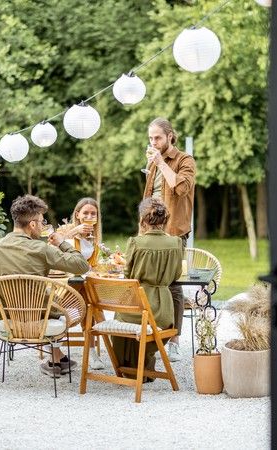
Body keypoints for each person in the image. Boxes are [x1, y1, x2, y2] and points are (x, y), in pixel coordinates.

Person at [0, 194, 90, 378]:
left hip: (5, 318)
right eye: (43, 222)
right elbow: (82, 266)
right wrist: (62, 243)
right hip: (40, 318)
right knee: (60, 305)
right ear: (33, 225)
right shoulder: (41, 249)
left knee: (51, 301)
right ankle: (56, 359)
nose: (43, 226)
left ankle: (57, 359)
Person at [143, 117, 195, 362]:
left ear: (170, 136)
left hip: (173, 232)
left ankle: (174, 341)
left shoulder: (185, 160)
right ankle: (153, 336)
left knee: (173, 284)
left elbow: (179, 188)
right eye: (151, 138)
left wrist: (160, 162)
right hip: (149, 231)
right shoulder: (154, 162)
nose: (153, 142)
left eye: (158, 138)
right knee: (147, 282)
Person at [112, 198, 183, 378]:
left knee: (120, 317)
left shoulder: (136, 242)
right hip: (162, 311)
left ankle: (130, 369)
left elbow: (128, 275)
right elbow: (176, 275)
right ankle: (145, 368)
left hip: (136, 306)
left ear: (142, 220)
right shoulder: (176, 243)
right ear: (165, 219)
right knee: (146, 328)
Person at [61, 197, 107, 370]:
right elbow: (52, 242)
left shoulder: (94, 237)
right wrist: (74, 230)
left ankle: (92, 352)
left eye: (93, 214)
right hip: (67, 283)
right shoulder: (67, 230)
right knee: (63, 311)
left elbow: (91, 265)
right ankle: (54, 348)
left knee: (90, 307)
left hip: (84, 282)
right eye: (85, 213)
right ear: (77, 214)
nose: (89, 216)